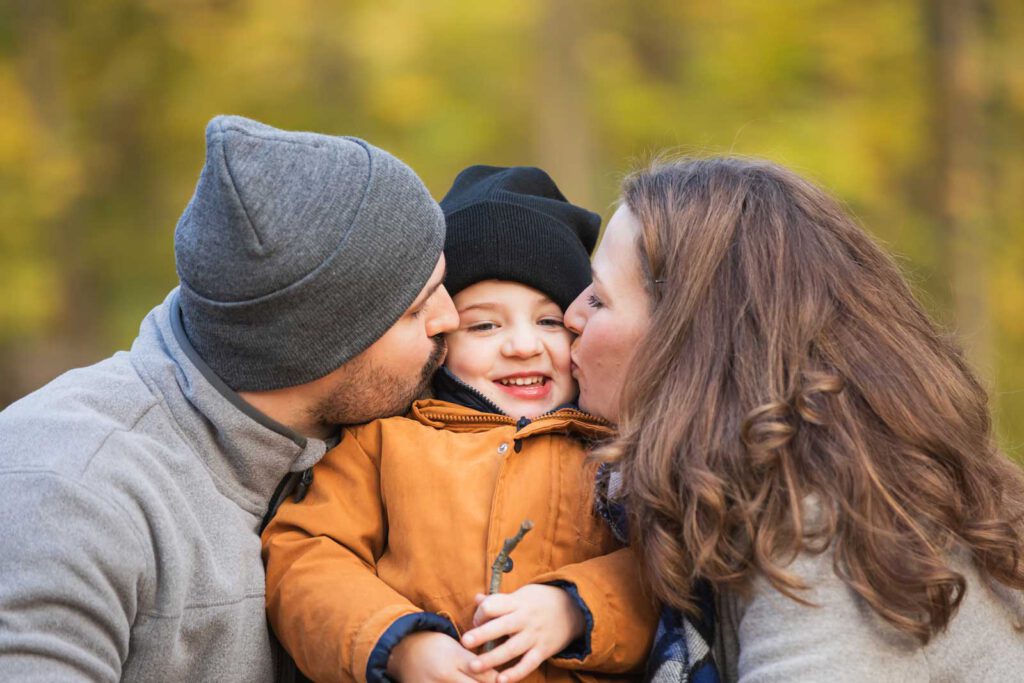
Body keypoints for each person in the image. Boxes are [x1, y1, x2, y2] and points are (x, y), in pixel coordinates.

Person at [0, 115, 461, 681]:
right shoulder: (68, 488)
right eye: (417, 308)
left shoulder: (388, 424)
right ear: (315, 347)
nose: (452, 319)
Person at [563, 157, 1024, 681]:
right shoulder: (759, 489)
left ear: (690, 342)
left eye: (599, 298)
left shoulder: (828, 523)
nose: (571, 315)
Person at [262, 166, 658, 683]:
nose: (522, 345)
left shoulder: (618, 450)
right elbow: (305, 558)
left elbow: (666, 572)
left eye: (549, 321)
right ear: (441, 338)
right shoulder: (383, 441)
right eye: (485, 325)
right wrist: (401, 644)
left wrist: (573, 609)